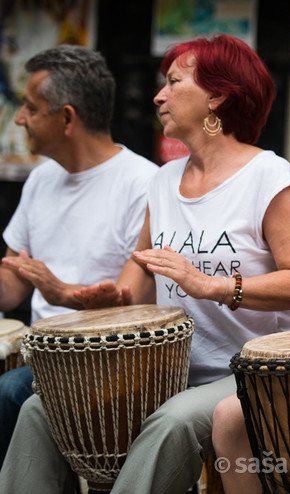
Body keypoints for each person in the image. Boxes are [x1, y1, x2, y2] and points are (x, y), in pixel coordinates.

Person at [0, 34, 290, 493]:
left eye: (173, 82)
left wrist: (210, 286)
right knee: (41, 409)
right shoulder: (164, 180)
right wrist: (88, 297)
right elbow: (135, 291)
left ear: (218, 95)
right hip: (169, 371)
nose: (159, 95)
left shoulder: (268, 176)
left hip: (254, 371)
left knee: (170, 423)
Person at [0, 45, 157, 469]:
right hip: (42, 354)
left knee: (10, 391)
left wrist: (61, 291)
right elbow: (11, 285)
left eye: (30, 108)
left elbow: (130, 305)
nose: (19, 119)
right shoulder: (40, 179)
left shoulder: (143, 183)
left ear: (67, 117)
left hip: (107, 362)